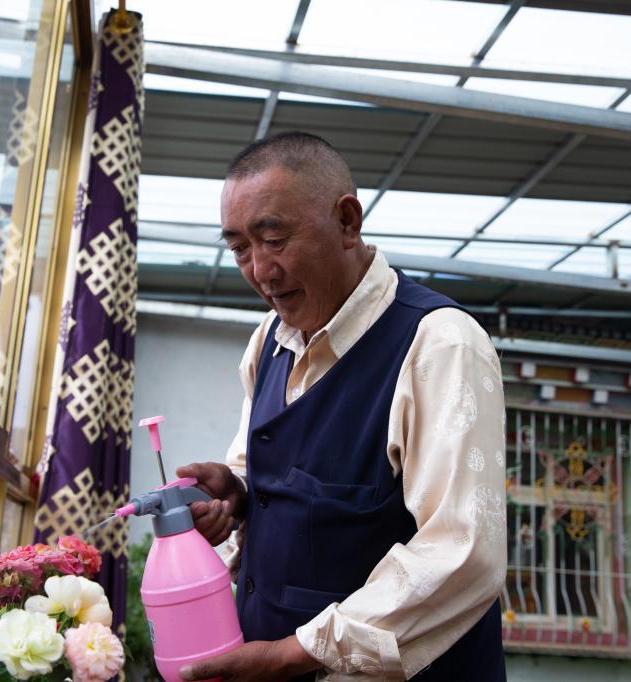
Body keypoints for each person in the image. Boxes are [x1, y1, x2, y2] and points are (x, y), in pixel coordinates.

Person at [176, 132, 507, 681]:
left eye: (274, 239)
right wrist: (238, 493)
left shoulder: (439, 344)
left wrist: (289, 655)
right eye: (239, 249)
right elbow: (269, 471)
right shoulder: (269, 341)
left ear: (348, 221)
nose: (260, 270)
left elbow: (462, 552)